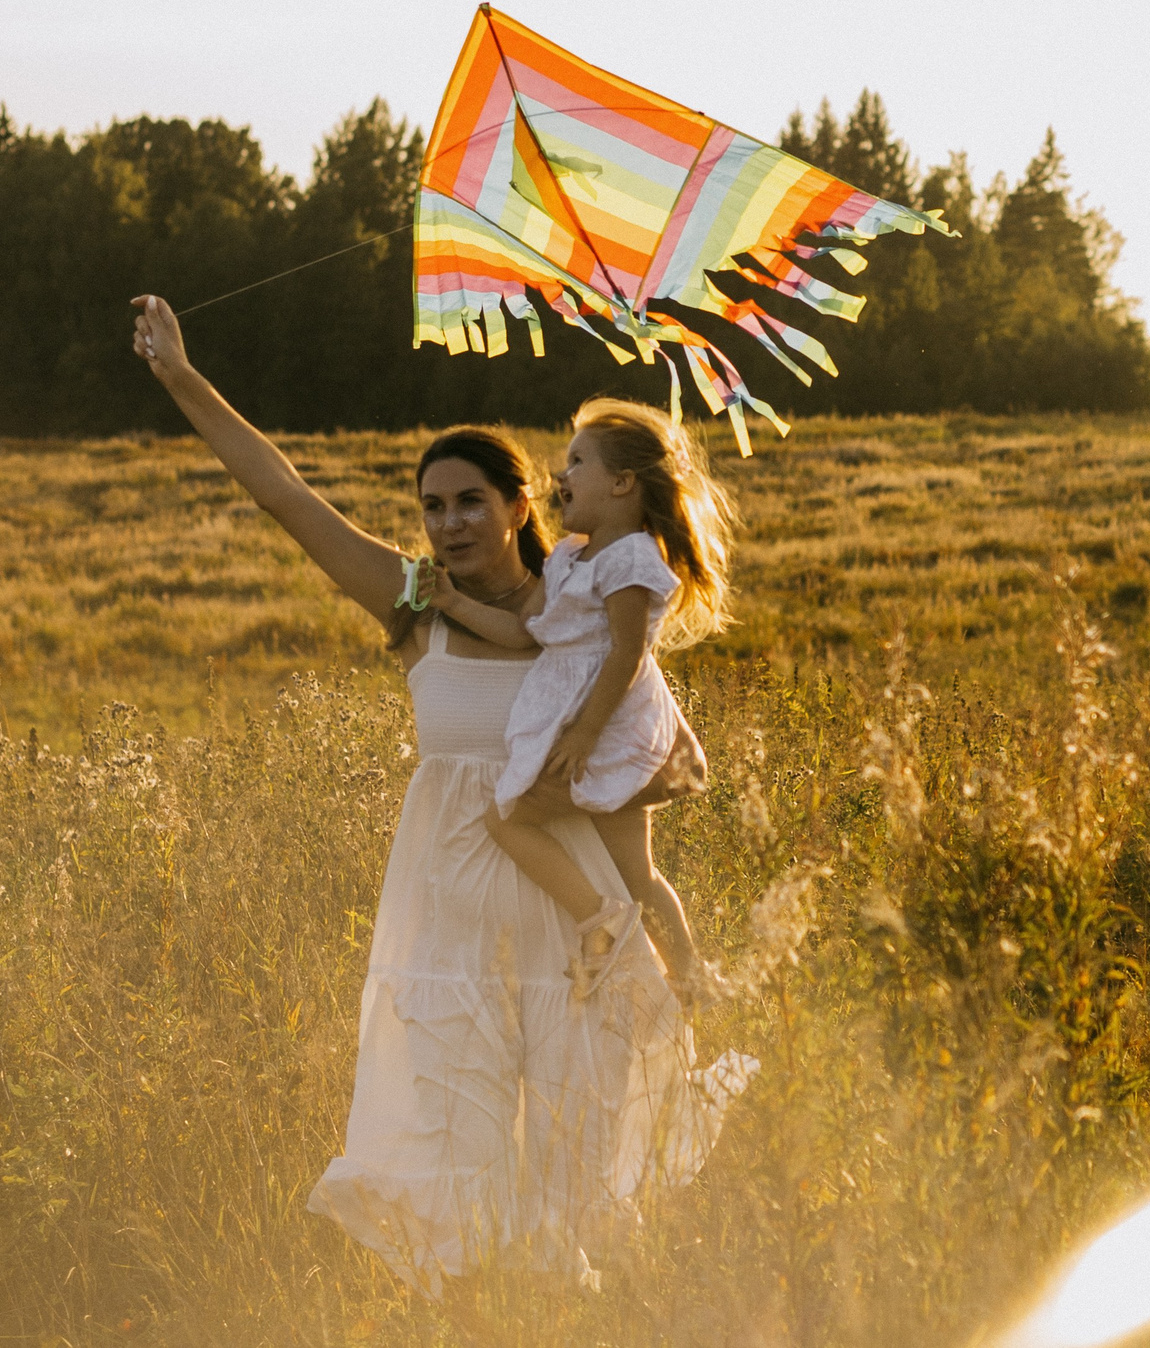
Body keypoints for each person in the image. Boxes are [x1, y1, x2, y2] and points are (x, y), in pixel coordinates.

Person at [127, 294, 752, 1292]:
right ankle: (478, 1310)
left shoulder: (579, 608)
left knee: (564, 1162)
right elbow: (285, 496)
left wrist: (657, 941)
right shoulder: (416, 604)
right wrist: (179, 377)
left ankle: (567, 1312)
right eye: (430, 505)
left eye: (468, 501)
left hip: (570, 928)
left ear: (521, 505)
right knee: (461, 1155)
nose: (447, 523)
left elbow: (632, 772)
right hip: (451, 933)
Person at [415, 400, 731, 1003]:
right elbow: (525, 634)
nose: (563, 476)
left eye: (578, 462)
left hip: (609, 726)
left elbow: (627, 653)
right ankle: (685, 974)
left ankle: (607, 925)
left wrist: (584, 733)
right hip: (583, 719)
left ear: (621, 484)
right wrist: (453, 604)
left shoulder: (631, 557)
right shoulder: (566, 559)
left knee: (509, 816)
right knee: (634, 870)